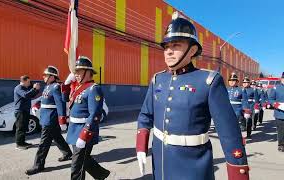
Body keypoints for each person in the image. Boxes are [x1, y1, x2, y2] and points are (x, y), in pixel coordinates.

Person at [136, 12, 249, 180]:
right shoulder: (158, 79)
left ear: (192, 50)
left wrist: (238, 173)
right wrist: (141, 144)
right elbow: (146, 114)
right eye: (166, 47)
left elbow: (229, 133)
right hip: (160, 163)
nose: (169, 51)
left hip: (192, 167)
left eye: (176, 45)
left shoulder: (209, 81)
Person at [61, 56, 110, 180]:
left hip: (84, 131)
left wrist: (84, 135)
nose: (76, 74)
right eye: (75, 72)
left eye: (79, 71)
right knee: (83, 160)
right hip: (74, 130)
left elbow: (94, 115)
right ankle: (101, 174)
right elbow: (65, 99)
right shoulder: (77, 88)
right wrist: (66, 85)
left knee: (76, 165)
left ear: (88, 72)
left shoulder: (94, 89)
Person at [25, 66, 73, 175]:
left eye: (46, 75)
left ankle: (38, 165)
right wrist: (37, 105)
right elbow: (45, 99)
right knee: (57, 137)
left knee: (43, 143)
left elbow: (60, 104)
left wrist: (62, 120)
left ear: (52, 76)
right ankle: (67, 153)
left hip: (50, 119)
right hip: (46, 117)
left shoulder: (56, 87)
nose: (44, 77)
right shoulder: (48, 87)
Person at [14, 75, 40, 150]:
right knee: (20, 128)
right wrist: (34, 88)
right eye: (28, 81)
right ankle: (19, 144)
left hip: (25, 110)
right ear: (23, 81)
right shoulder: (18, 88)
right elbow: (25, 95)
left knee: (24, 127)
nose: (29, 83)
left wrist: (37, 90)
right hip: (20, 111)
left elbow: (30, 95)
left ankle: (23, 142)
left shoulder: (25, 88)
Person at [268, 72, 284, 152]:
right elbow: (271, 99)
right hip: (280, 113)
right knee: (281, 130)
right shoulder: (276, 88)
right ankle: (281, 145)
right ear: (281, 79)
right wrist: (277, 105)